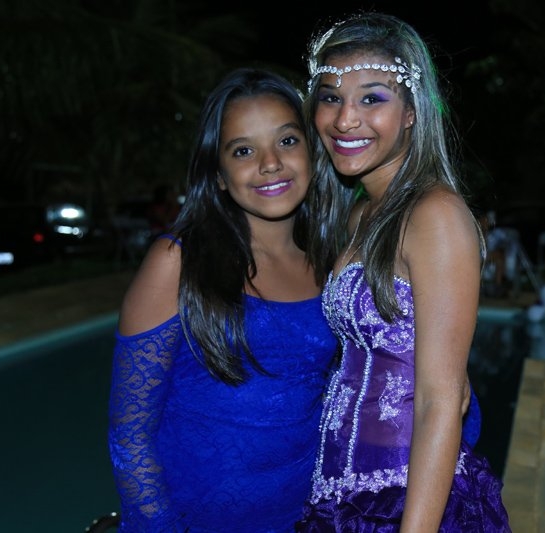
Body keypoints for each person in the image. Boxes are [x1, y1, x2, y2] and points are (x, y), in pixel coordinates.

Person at [298, 12, 511, 531]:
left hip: (405, 501)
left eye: (372, 98)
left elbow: (441, 401)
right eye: (330, 97)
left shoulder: (435, 215)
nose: (345, 120)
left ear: (412, 112)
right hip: (338, 498)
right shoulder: (358, 212)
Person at [107, 68, 340, 532]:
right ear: (217, 173)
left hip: (305, 515)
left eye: (287, 141)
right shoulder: (178, 261)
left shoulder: (330, 263)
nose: (270, 163)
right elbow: (130, 435)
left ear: (313, 153)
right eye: (243, 150)